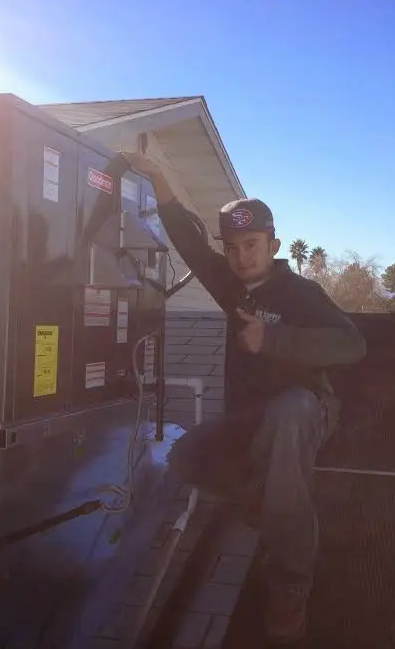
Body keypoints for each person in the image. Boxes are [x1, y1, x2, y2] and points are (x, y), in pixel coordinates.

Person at [122, 152, 366, 646]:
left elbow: (352, 345)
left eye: (251, 245)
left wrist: (274, 341)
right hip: (252, 424)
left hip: (306, 413)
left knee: (289, 412)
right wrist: (161, 182)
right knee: (185, 455)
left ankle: (290, 585)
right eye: (232, 247)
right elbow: (191, 246)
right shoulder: (232, 286)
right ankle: (260, 495)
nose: (241, 257)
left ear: (273, 244)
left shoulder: (300, 292)